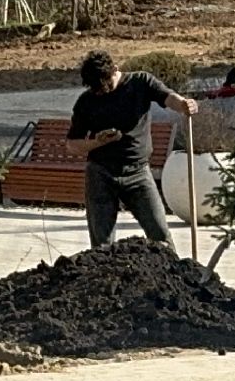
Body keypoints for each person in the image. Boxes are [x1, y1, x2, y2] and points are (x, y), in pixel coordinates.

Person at [66, 50, 199, 251]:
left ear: (115, 70)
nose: (103, 92)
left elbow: (167, 97)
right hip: (101, 174)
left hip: (138, 173)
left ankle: (173, 275)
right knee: (101, 245)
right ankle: (103, 277)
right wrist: (97, 142)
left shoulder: (140, 83)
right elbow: (72, 144)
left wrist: (182, 104)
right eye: (97, 90)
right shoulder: (87, 101)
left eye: (106, 86)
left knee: (160, 235)